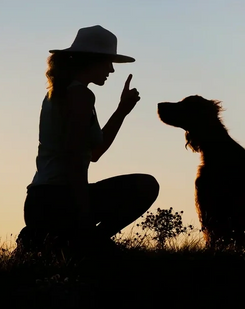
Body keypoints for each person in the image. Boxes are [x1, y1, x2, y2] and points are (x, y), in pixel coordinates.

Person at [17, 25, 159, 258]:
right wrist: (84, 218)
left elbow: (94, 153)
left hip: (41, 202)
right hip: (59, 199)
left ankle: (57, 240)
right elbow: (74, 160)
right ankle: (83, 241)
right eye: (108, 62)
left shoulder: (61, 93)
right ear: (91, 61)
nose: (112, 70)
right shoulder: (81, 95)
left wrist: (122, 111)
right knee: (146, 186)